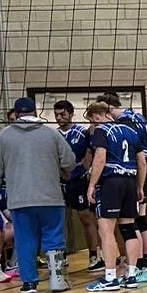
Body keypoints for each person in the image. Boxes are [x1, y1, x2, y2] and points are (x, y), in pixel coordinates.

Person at [0, 96, 76, 293]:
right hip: (50, 197)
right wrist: (61, 171)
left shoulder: (4, 136)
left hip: (20, 199)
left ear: (16, 114)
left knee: (25, 240)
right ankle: (57, 280)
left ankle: (29, 283)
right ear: (35, 112)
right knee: (54, 238)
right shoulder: (51, 134)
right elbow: (69, 160)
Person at [85, 100, 147, 292]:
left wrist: (92, 185)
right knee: (129, 228)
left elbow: (100, 157)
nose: (93, 126)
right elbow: (142, 162)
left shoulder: (102, 131)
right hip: (129, 182)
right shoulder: (131, 131)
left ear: (98, 117)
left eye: (93, 121)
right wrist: (140, 186)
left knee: (106, 230)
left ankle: (110, 277)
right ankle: (131, 275)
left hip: (111, 182)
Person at [101, 93, 147, 283]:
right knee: (140, 217)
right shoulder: (137, 116)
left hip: (132, 170)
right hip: (145, 166)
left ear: (108, 109)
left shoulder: (124, 123)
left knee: (131, 221)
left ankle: (140, 264)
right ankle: (146, 262)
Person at [53, 99, 101, 271]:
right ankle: (61, 256)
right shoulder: (54, 135)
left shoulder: (82, 132)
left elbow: (89, 154)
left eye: (62, 114)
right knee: (60, 220)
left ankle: (95, 255)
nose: (59, 117)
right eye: (56, 114)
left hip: (79, 180)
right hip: (60, 182)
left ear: (71, 114)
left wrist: (84, 172)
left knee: (86, 218)